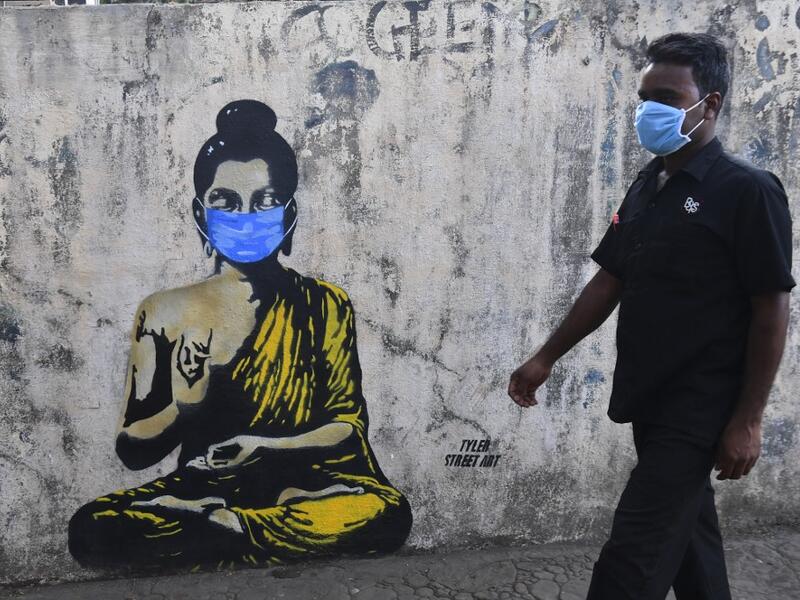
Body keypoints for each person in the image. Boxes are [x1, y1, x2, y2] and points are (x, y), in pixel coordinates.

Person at [508, 33, 793, 600]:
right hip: (649, 394)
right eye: (645, 96)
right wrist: (546, 357)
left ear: (709, 104)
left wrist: (749, 418)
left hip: (700, 405)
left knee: (632, 560)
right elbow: (611, 278)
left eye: (667, 96)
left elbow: (771, 309)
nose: (650, 110)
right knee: (691, 544)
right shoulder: (649, 184)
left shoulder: (748, 192)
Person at [68, 99, 412, 570]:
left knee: (386, 514)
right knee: (92, 529)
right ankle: (226, 522)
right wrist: (186, 405)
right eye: (226, 202)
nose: (246, 217)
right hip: (206, 486)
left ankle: (230, 527)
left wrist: (267, 449)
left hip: (307, 483)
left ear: (288, 215)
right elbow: (132, 448)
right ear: (200, 214)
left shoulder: (324, 305)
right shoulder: (164, 310)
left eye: (265, 202)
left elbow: (348, 429)